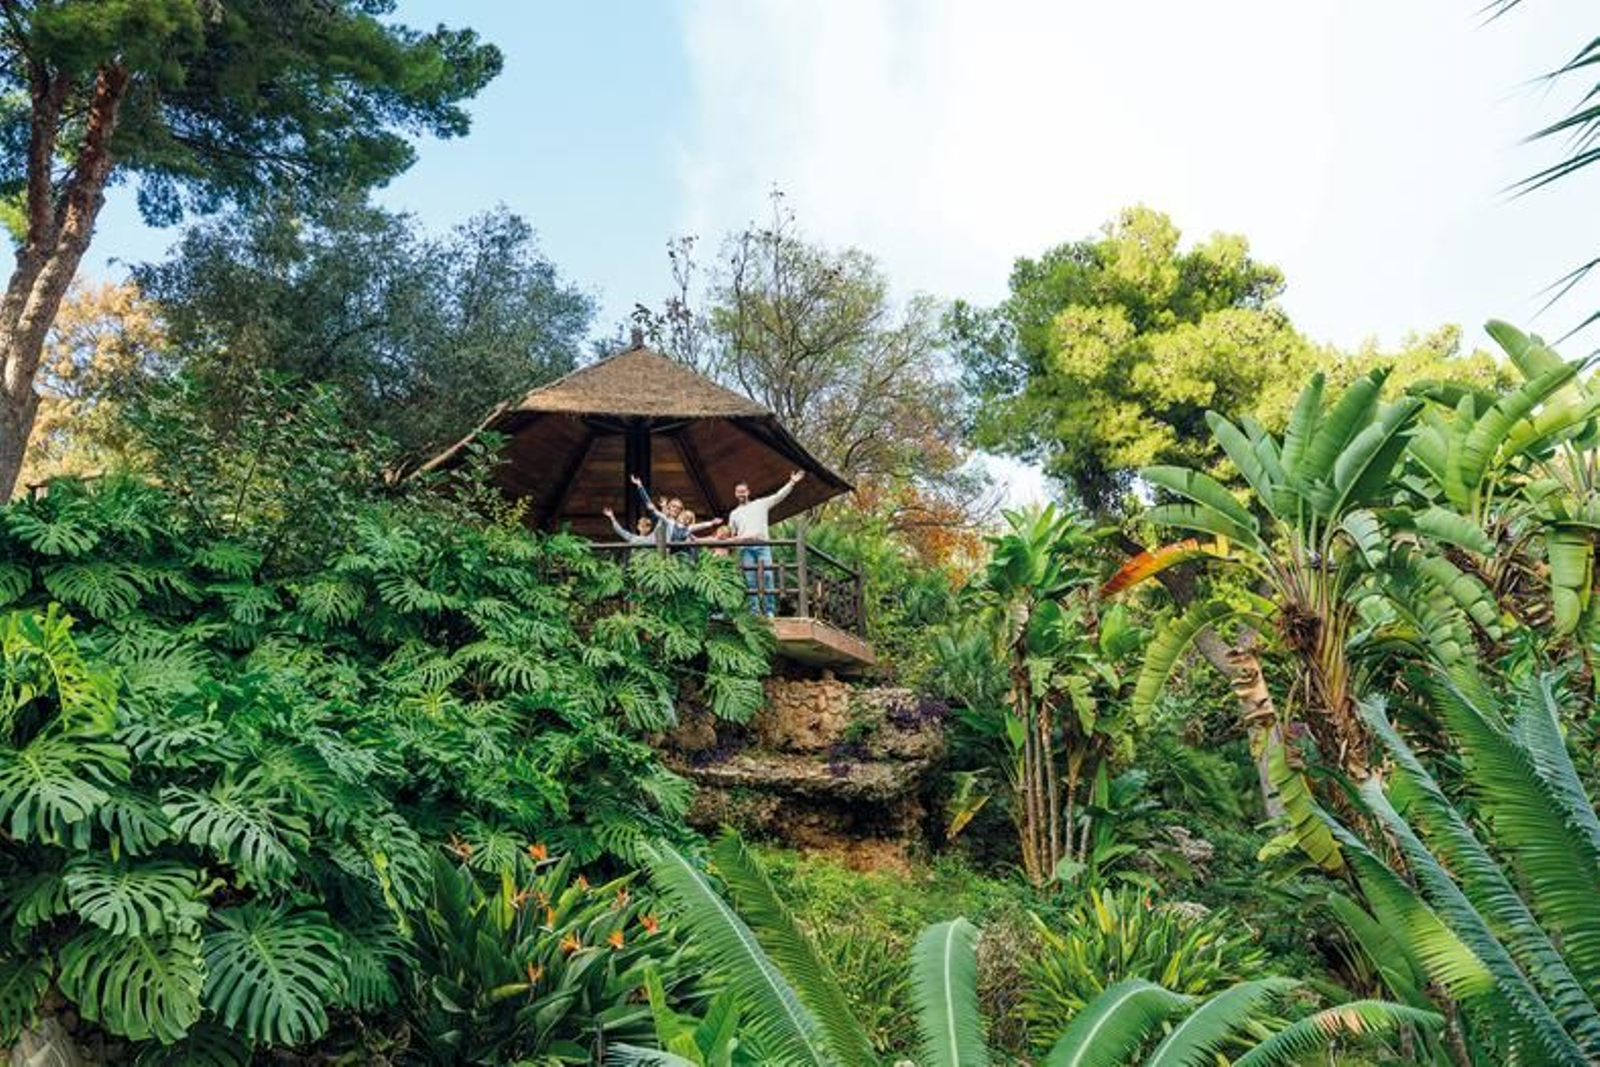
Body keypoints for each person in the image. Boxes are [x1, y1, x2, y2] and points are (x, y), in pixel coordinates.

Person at [727, 470, 804, 615]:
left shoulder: (760, 504)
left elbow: (778, 496)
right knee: (750, 580)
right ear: (735, 494)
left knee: (768, 576)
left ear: (748, 492)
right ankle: (754, 611)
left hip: (762, 545)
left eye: (743, 491)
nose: (741, 494)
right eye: (738, 492)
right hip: (745, 548)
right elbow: (731, 533)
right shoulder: (734, 513)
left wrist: (792, 482)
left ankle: (769, 611)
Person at [630, 475, 720, 546]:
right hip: (654, 548)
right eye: (673, 506)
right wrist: (640, 486)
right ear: (669, 507)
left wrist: (712, 534)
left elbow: (694, 537)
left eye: (679, 508)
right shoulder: (664, 517)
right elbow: (649, 504)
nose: (676, 509)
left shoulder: (681, 526)